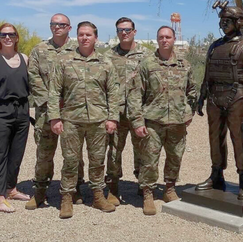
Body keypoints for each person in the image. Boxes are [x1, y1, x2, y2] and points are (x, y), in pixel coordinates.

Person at [48, 22, 120, 218]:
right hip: (71, 119)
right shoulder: (64, 61)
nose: (85, 38)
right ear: (76, 37)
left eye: (88, 34)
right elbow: (54, 91)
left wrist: (113, 118)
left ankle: (98, 196)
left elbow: (113, 92)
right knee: (71, 160)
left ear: (95, 38)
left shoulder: (105, 63)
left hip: (98, 120)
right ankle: (67, 198)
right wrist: (54, 117)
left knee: (97, 161)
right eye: (81, 34)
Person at [195, 3, 243, 201]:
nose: (224, 24)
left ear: (238, 22)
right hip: (215, 96)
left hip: (238, 97)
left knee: (239, 139)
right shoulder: (214, 47)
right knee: (215, 137)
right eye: (222, 21)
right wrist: (202, 96)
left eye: (228, 21)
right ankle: (216, 174)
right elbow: (207, 74)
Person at [128, 26, 197, 215]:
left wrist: (188, 112)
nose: (164, 40)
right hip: (153, 121)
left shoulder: (184, 64)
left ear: (174, 39)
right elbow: (135, 95)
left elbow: (192, 91)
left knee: (175, 156)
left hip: (177, 121)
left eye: (168, 37)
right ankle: (148, 192)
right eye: (161, 37)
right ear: (157, 40)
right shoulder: (147, 64)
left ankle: (169, 188)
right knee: (149, 159)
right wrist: (137, 121)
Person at [26, 13, 85, 210]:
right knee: (44, 153)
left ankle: (75, 188)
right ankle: (40, 190)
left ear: (69, 27)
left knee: (73, 154)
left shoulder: (78, 49)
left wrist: (66, 101)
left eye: (62, 24)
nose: (57, 27)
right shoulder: (39, 50)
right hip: (45, 112)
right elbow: (33, 76)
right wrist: (51, 101)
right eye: (54, 24)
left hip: (71, 111)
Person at [104, 17, 150, 205]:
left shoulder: (147, 55)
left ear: (134, 31)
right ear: (117, 32)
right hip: (116, 112)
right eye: (120, 30)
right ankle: (113, 188)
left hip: (139, 112)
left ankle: (143, 184)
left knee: (143, 150)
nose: (124, 33)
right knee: (114, 150)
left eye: (128, 30)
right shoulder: (108, 56)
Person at [0, 23, 30, 213]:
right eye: (3, 34)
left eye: (11, 34)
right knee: (1, 154)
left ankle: (11, 189)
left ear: (17, 37)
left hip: (22, 110)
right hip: (2, 110)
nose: (7, 37)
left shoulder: (24, 59)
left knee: (17, 153)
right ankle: (0, 195)